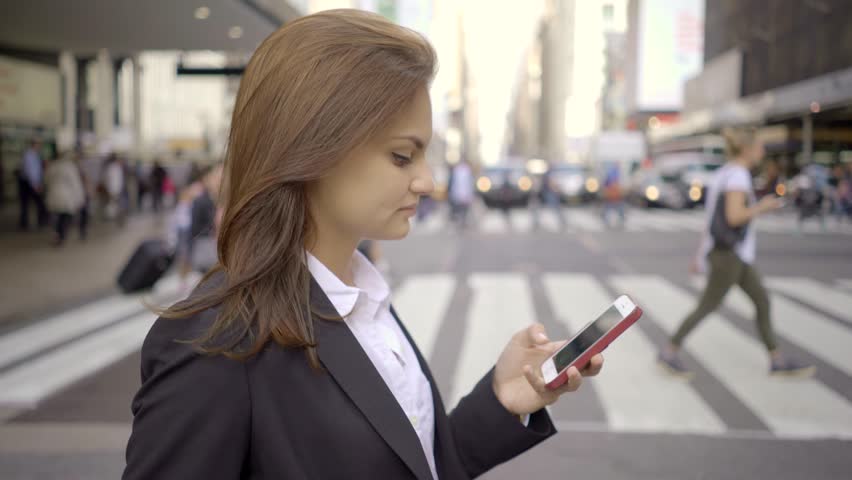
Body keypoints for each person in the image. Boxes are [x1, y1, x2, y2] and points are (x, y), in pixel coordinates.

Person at [122, 10, 604, 480]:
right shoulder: (216, 346)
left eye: (423, 154)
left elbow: (410, 463)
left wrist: (501, 399)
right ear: (313, 147)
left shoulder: (363, 297)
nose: (427, 180)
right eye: (402, 156)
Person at [658, 127, 815, 378]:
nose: (762, 151)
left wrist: (700, 254)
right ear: (747, 148)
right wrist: (762, 207)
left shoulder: (724, 173)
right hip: (729, 255)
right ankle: (669, 350)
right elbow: (733, 217)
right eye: (759, 146)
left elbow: (711, 218)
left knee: (761, 299)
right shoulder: (738, 176)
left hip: (731, 253)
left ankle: (776, 358)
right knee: (709, 305)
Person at [44, 152, 86, 246]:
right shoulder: (70, 167)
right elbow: (75, 184)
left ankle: (57, 233)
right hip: (66, 196)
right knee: (65, 215)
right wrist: (80, 197)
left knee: (56, 215)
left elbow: (46, 180)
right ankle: (61, 235)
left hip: (53, 194)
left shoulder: (52, 166)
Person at [18, 139, 49, 230]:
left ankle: (25, 223)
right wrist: (36, 185)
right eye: (39, 145)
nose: (40, 147)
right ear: (34, 145)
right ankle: (40, 221)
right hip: (29, 183)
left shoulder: (33, 155)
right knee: (38, 203)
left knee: (26, 204)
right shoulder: (29, 155)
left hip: (29, 182)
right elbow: (31, 171)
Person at [447, 158, 475, 229]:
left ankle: (462, 221)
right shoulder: (462, 171)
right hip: (459, 193)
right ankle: (461, 221)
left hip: (461, 193)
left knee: (462, 209)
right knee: (460, 209)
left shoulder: (463, 171)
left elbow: (470, 183)